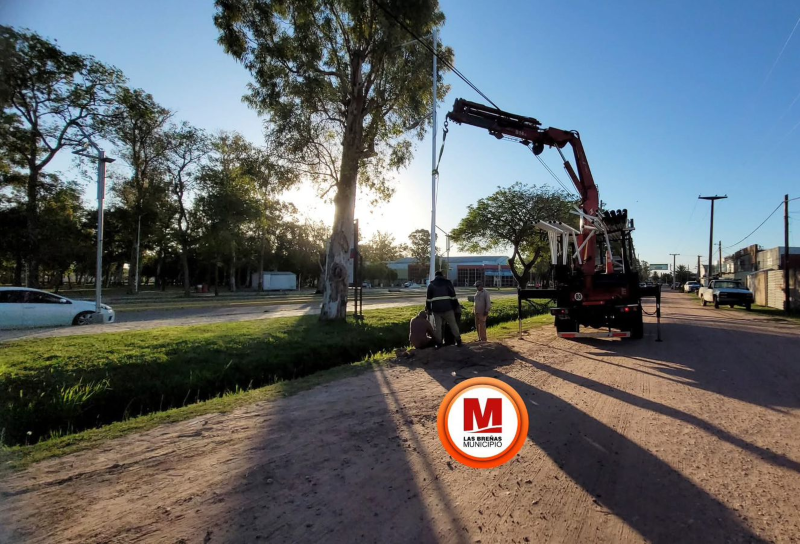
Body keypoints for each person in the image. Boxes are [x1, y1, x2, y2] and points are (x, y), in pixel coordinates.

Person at [426, 270, 462, 347]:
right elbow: (453, 296)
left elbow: (428, 300)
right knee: (453, 325)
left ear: (435, 276)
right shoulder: (448, 283)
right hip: (448, 308)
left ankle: (439, 343)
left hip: (436, 310)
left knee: (438, 327)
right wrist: (455, 307)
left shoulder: (431, 285)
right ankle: (458, 340)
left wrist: (429, 309)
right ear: (442, 276)